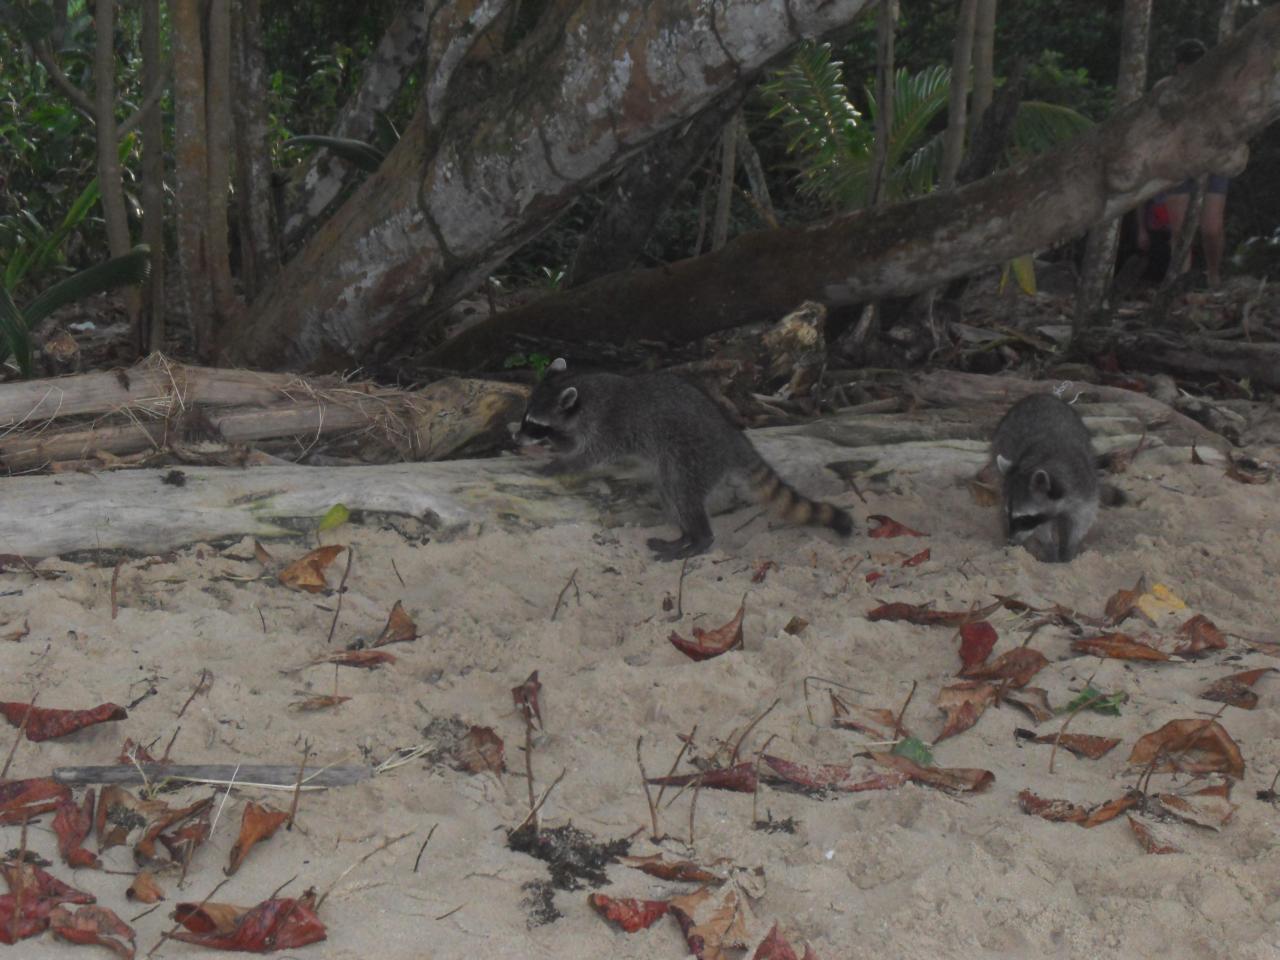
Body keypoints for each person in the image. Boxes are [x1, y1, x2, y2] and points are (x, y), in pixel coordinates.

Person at [1162, 39, 1231, 288]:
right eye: (1190, 64)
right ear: (1180, 67)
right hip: (1178, 163)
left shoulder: (1218, 86)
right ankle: (1180, 283)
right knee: (1180, 231)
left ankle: (1213, 274)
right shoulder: (1167, 89)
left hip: (1213, 161)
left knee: (1211, 228)